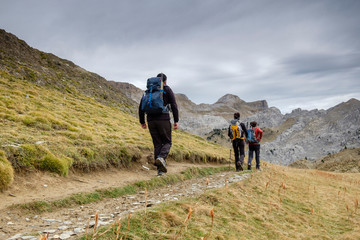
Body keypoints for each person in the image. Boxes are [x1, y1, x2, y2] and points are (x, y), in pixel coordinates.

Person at [139, 73, 179, 176]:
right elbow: (174, 105)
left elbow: (141, 106)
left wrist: (142, 121)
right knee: (167, 142)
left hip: (151, 120)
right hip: (163, 119)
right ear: (165, 81)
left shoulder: (148, 91)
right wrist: (176, 121)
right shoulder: (166, 89)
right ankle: (161, 158)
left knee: (157, 144)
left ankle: (160, 171)